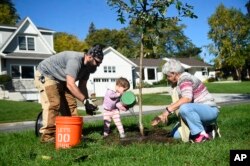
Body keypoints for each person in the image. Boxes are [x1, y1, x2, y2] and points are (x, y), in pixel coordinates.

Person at [34, 45, 104, 143]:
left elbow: (82, 86)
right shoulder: (75, 61)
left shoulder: (87, 68)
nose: (98, 65)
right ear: (89, 57)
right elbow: (70, 84)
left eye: (100, 63)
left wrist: (87, 103)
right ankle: (47, 137)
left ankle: (74, 132)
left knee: (71, 104)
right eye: (97, 62)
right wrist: (84, 100)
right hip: (47, 74)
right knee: (54, 103)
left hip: (62, 79)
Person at [151, 59, 219, 143]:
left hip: (209, 110)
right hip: (198, 112)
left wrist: (167, 111)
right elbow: (178, 102)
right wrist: (163, 115)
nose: (167, 79)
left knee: (185, 108)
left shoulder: (185, 79)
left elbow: (187, 99)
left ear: (174, 73)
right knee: (176, 135)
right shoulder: (180, 81)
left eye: (168, 76)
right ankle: (208, 129)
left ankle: (201, 135)